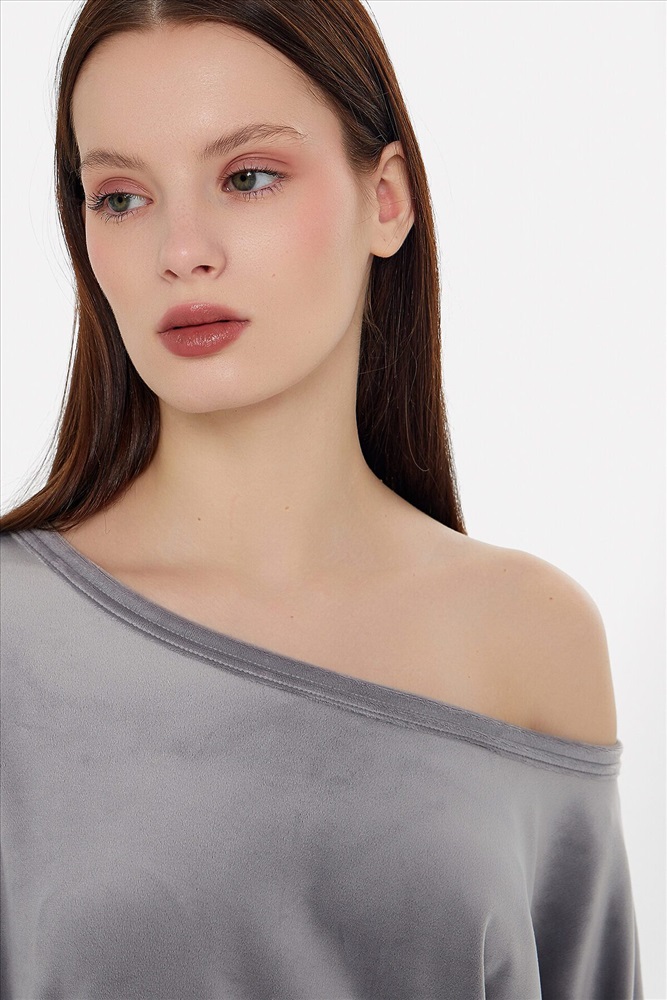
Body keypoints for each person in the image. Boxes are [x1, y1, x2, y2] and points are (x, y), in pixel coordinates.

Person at [0, 1, 643, 997]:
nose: (181, 249)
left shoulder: (531, 636)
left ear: (385, 200)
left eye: (247, 177)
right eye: (121, 197)